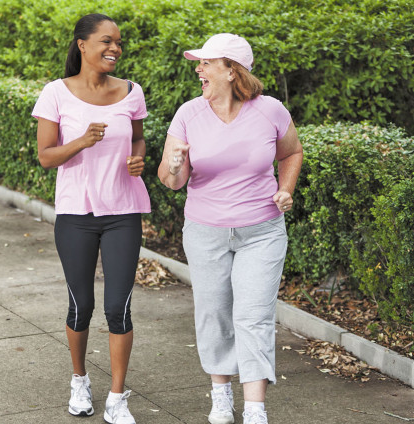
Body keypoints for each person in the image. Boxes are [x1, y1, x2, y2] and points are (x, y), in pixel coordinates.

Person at [157, 33, 303, 424]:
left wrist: (285, 189)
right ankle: (221, 395)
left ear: (231, 70)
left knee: (253, 315)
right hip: (206, 231)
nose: (198, 68)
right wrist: (174, 165)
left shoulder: (269, 110)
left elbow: (291, 152)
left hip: (262, 231)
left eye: (206, 63)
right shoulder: (189, 113)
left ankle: (255, 407)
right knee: (214, 313)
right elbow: (171, 181)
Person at [31, 13, 150, 424]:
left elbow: (137, 136)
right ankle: (79, 380)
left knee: (119, 307)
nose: (115, 48)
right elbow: (46, 157)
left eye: (118, 42)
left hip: (123, 212)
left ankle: (118, 397)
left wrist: (139, 159)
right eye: (106, 41)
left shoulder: (132, 92)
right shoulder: (56, 94)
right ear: (82, 45)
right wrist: (81, 141)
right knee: (81, 305)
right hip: (76, 214)